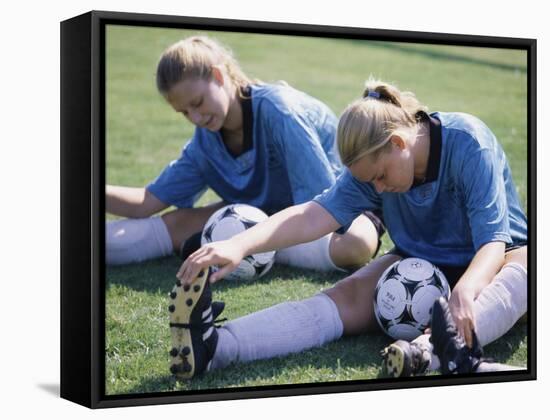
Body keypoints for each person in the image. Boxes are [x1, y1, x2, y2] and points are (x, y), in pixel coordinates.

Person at [169, 78, 528, 379]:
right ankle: (217, 346)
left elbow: (494, 241)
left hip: (498, 257)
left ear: (399, 143)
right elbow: (310, 216)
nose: (378, 190)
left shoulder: (467, 141)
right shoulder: (369, 172)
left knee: (534, 265)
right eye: (370, 182)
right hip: (418, 259)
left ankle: (425, 353)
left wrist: (465, 289)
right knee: (344, 296)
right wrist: (240, 244)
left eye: (381, 176)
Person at [106, 35, 383, 272]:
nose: (196, 117)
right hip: (261, 216)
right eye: (184, 112)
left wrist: (244, 237)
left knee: (354, 245)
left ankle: (245, 245)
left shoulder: (279, 111)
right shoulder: (205, 143)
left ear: (218, 75)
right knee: (178, 224)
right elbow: (146, 202)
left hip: (330, 211)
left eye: (198, 103)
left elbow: (319, 210)